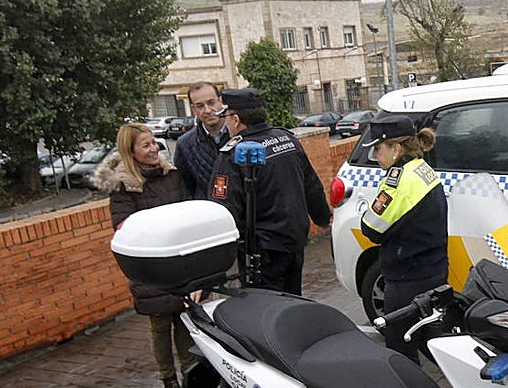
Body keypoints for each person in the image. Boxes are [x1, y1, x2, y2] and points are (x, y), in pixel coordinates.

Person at [97, 122, 197, 388]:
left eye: (154, 143)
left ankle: (191, 374)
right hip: (150, 265)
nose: (153, 149)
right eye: (145, 145)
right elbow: (123, 225)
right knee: (160, 324)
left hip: (179, 259)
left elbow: (187, 210)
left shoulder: (172, 176)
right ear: (131, 152)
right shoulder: (124, 186)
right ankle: (169, 379)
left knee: (185, 319)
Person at [209, 88, 331, 295]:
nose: (225, 124)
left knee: (266, 311)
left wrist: (217, 259)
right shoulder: (286, 139)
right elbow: (312, 185)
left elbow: (225, 209)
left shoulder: (234, 153)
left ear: (236, 119)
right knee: (293, 302)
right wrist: (323, 218)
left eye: (226, 118)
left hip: (263, 251)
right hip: (294, 241)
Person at [359, 116, 448, 361]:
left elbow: (371, 229)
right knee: (432, 339)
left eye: (378, 148)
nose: (374, 155)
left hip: (408, 278)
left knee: (400, 344)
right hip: (434, 268)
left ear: (396, 148)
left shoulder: (398, 181)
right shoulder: (420, 166)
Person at [174, 81, 229, 199]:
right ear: (193, 109)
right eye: (200, 106)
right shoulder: (185, 144)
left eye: (211, 102)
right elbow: (186, 188)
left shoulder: (241, 135)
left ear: (221, 101)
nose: (207, 110)